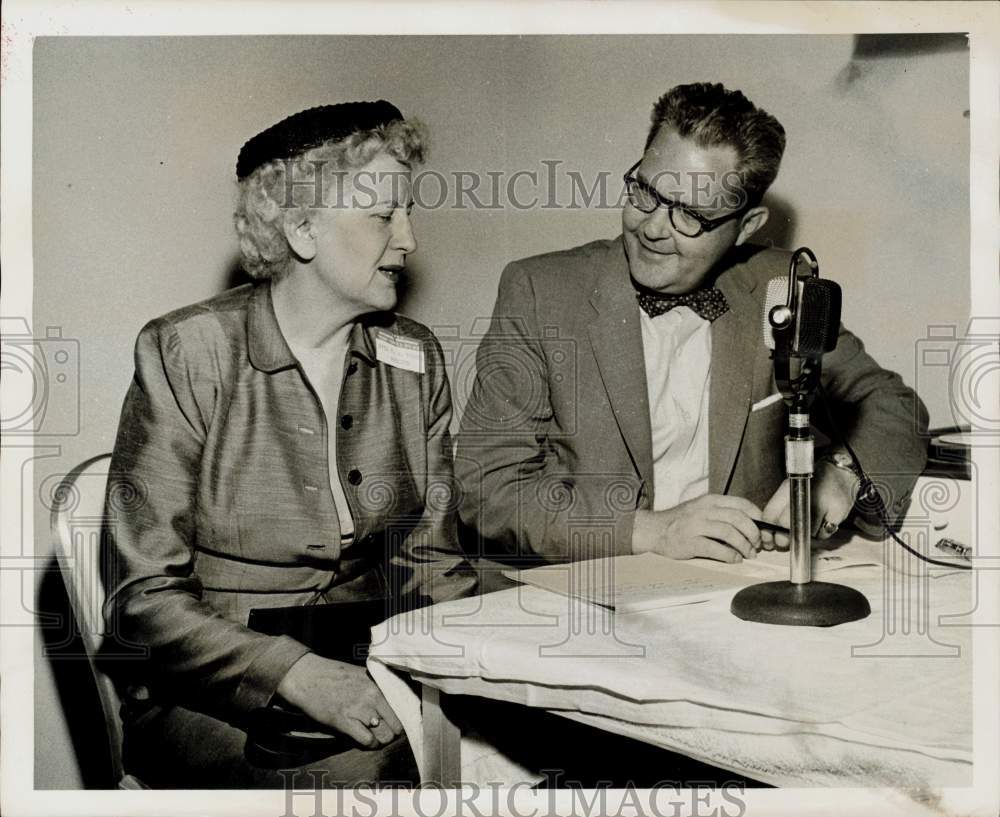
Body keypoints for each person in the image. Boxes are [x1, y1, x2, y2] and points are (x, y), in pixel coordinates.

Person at [101, 101, 477, 788]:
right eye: (384, 214)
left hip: (371, 664)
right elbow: (142, 597)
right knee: (375, 774)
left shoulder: (414, 357)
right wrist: (293, 672)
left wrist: (479, 667)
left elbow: (433, 560)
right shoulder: (188, 352)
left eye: (409, 212)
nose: (410, 240)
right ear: (302, 227)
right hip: (210, 692)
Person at [455, 82, 928, 565]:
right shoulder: (541, 291)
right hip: (577, 592)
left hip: (730, 598)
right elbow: (489, 487)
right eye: (645, 192)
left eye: (692, 216)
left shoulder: (778, 287)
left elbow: (893, 407)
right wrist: (651, 531)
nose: (653, 227)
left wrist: (840, 475)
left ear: (746, 227)